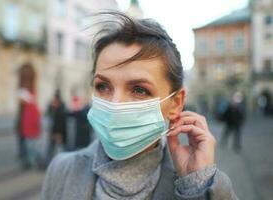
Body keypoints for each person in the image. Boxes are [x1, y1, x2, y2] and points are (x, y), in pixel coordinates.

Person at [41, 12, 237, 199]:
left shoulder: (193, 185)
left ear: (176, 103)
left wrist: (197, 185)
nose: (115, 105)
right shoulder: (61, 170)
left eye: (139, 90)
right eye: (103, 86)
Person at [17, 88, 42, 169]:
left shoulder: (32, 107)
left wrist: (36, 131)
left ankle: (34, 163)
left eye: (21, 99)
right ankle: (31, 163)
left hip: (31, 133)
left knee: (32, 149)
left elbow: (36, 121)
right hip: (26, 132)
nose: (21, 101)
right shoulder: (26, 107)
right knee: (29, 149)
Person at [46, 91, 68, 163]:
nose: (53, 102)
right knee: (52, 148)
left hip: (59, 134)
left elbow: (61, 124)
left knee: (61, 150)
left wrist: (59, 134)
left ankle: (61, 163)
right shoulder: (55, 109)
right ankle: (50, 162)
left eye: (54, 101)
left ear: (58, 101)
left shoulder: (61, 111)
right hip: (55, 133)